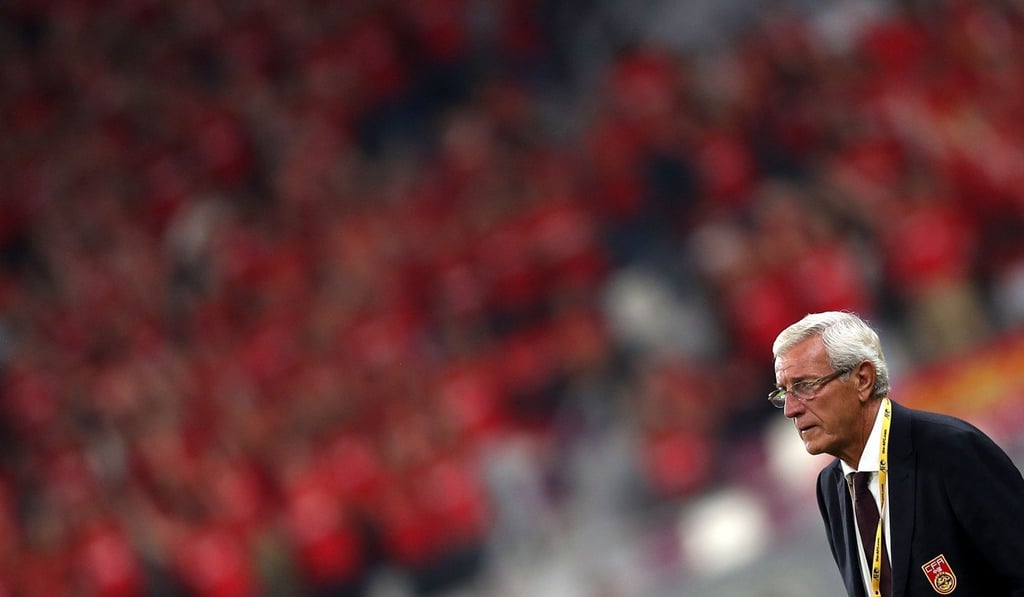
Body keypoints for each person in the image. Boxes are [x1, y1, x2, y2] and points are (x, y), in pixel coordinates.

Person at [770, 311, 1024, 597]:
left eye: (805, 387)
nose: (791, 409)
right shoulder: (831, 486)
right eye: (784, 393)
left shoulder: (951, 449)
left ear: (863, 379)